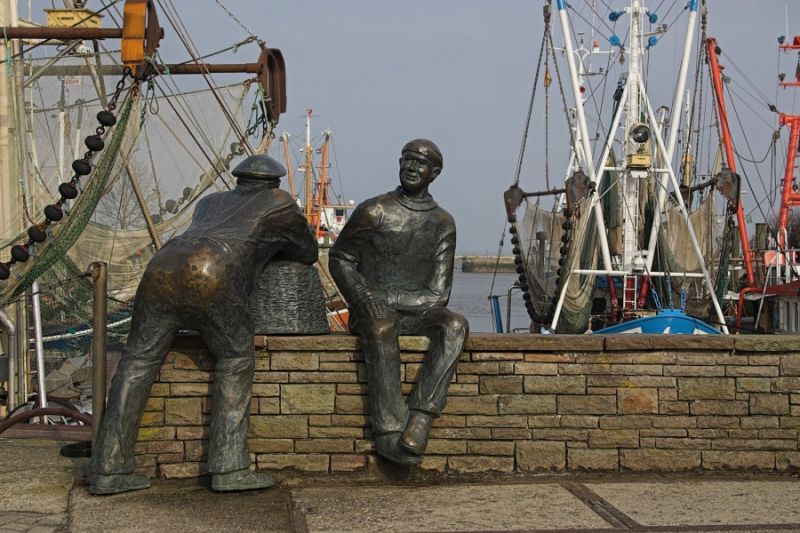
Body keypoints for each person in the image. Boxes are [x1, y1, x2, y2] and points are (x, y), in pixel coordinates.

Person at [90, 154, 318, 494]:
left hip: (161, 266)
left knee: (137, 362)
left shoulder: (209, 202)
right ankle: (229, 467)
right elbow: (308, 252)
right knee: (236, 358)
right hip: (211, 269)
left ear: (239, 179)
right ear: (274, 182)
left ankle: (109, 468)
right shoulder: (279, 202)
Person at [329, 139, 469, 465]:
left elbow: (438, 294)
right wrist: (363, 297)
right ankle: (388, 432)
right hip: (372, 312)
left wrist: (389, 297)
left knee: (455, 325)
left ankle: (420, 419)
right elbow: (341, 257)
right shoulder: (374, 210)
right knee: (381, 328)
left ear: (434, 173)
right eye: (407, 160)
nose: (411, 167)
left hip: (417, 311)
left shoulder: (442, 223)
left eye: (420, 163)